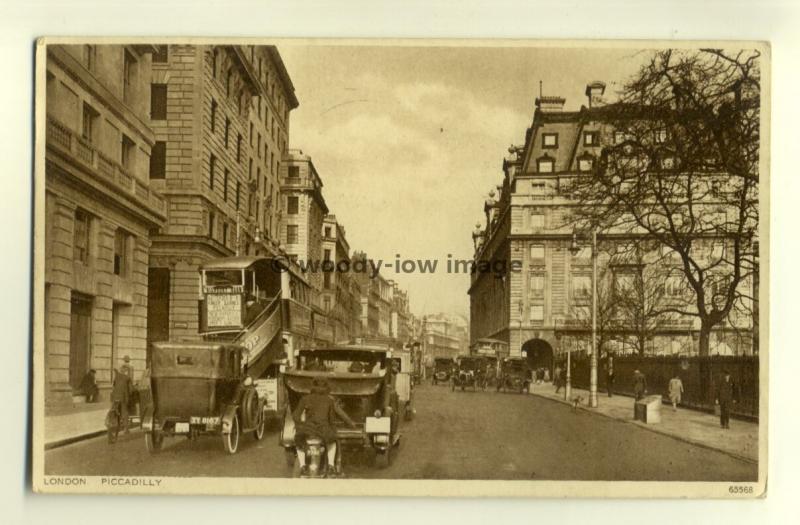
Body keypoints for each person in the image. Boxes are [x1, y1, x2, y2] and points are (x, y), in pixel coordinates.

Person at [293, 377, 356, 476]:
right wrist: (335, 429)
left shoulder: (305, 399)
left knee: (299, 443)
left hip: (308, 429)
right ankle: (331, 466)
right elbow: (331, 419)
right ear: (326, 387)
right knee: (333, 443)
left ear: (313, 386)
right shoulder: (329, 400)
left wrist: (300, 425)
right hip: (324, 430)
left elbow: (296, 416)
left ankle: (303, 466)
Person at [110, 363, 133, 434]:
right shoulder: (127, 378)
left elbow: (113, 386)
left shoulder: (116, 377)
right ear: (125, 371)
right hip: (123, 397)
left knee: (114, 409)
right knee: (124, 412)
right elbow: (131, 390)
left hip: (115, 397)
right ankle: (126, 429)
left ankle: (111, 425)